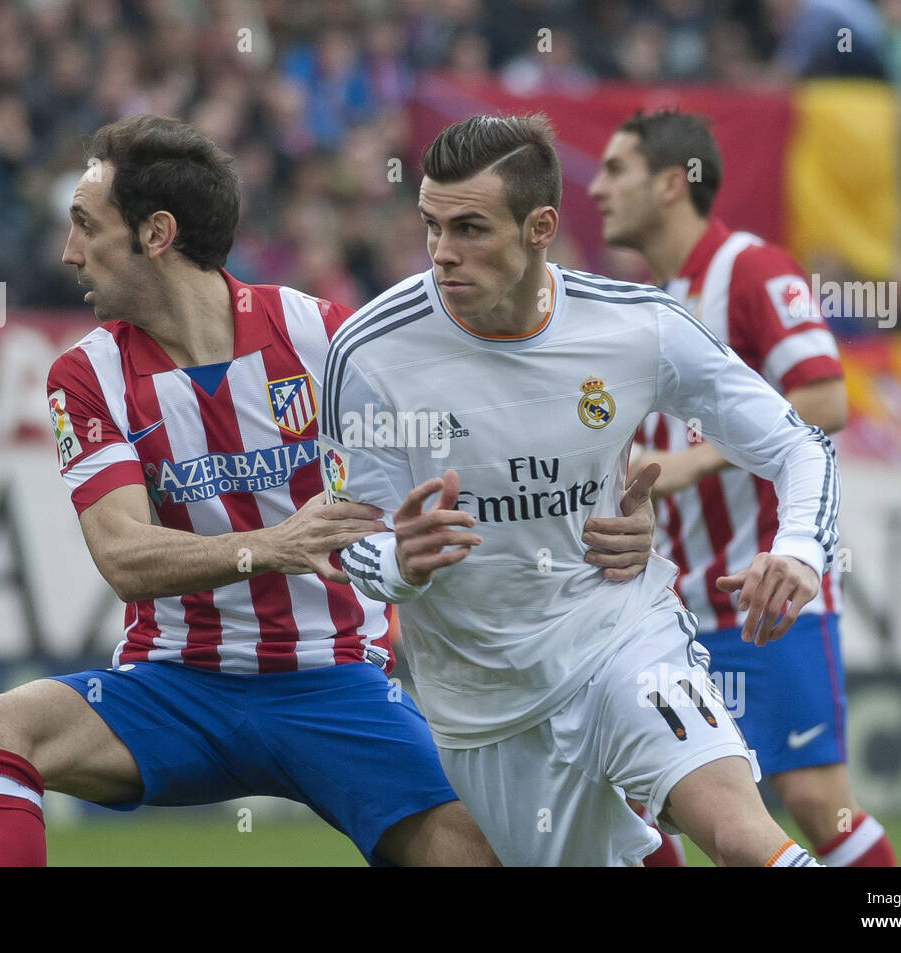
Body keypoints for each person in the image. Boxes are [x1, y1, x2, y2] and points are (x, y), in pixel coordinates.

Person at [0, 114, 582, 867]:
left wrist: (600, 515)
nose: (69, 253)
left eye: (86, 225)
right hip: (176, 686)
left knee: (495, 849)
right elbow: (123, 555)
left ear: (157, 234)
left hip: (335, 684)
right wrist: (273, 547)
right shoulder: (86, 376)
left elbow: (479, 457)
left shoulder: (325, 338)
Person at [320, 113, 836, 867]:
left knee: (738, 834)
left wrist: (796, 551)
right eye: (431, 225)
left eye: (470, 229)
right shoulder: (369, 351)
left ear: (541, 227)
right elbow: (343, 538)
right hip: (485, 699)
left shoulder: (639, 327)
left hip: (621, 634)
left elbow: (799, 442)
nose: (442, 254)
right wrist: (398, 561)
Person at [587, 109, 896, 867]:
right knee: (653, 806)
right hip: (669, 607)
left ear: (670, 184)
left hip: (761, 592)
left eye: (615, 170)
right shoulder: (649, 301)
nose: (595, 189)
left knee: (818, 803)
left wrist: (696, 461)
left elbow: (824, 399)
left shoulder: (751, 270)